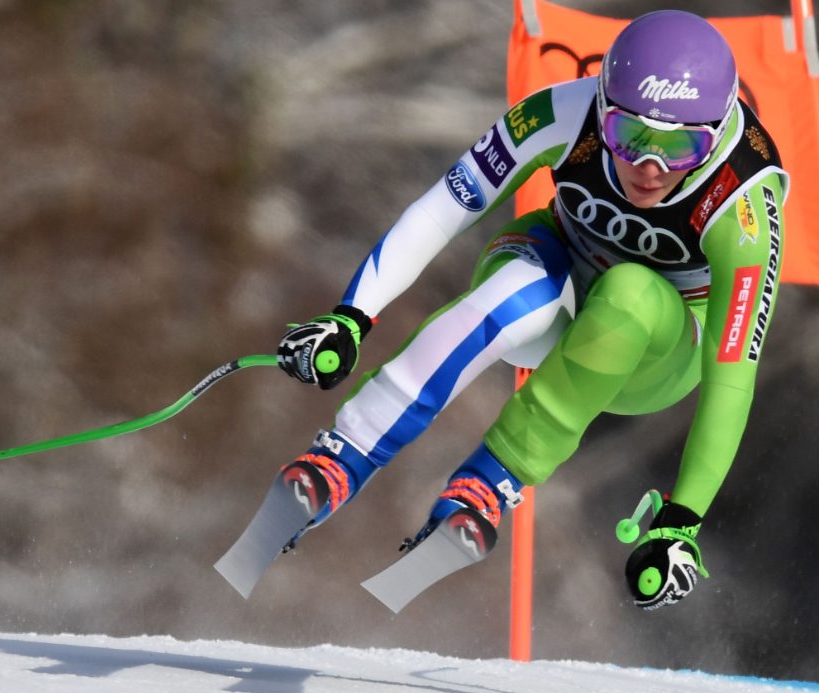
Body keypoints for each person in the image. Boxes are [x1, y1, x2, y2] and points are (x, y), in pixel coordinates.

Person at [274, 10, 787, 610]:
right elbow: (445, 207)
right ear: (602, 106)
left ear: (717, 132)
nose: (651, 166)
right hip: (561, 279)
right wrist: (351, 316)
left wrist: (681, 520)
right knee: (522, 284)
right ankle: (348, 449)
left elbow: (732, 376)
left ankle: (494, 477)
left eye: (681, 147)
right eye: (631, 138)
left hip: (656, 354)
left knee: (631, 291)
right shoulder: (562, 112)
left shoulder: (745, 202)